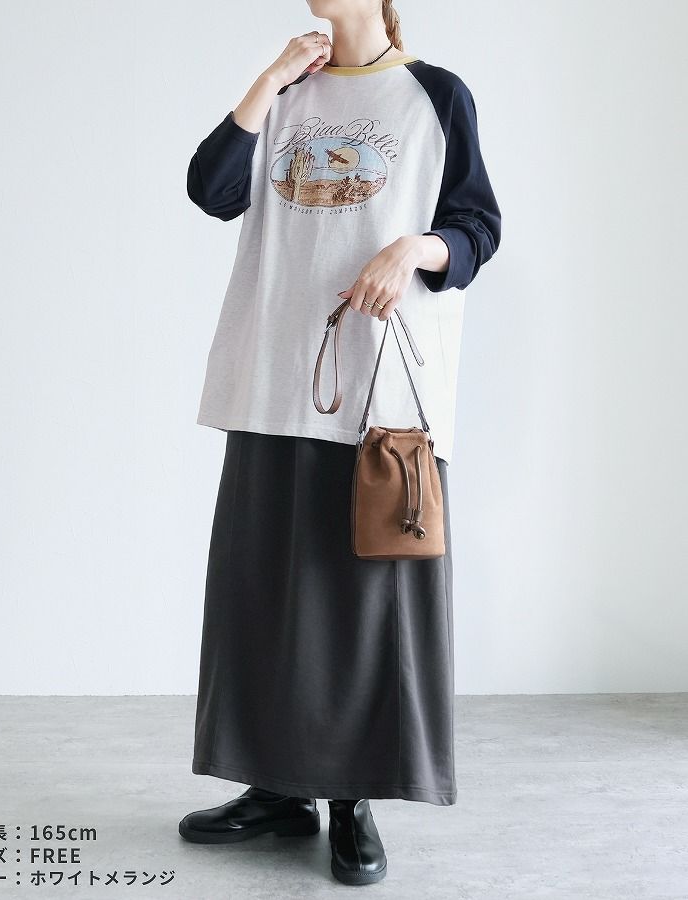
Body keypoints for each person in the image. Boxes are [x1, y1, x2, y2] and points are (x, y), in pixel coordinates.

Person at [178, 0, 501, 887]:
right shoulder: (288, 92)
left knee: (363, 609)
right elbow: (211, 191)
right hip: (270, 377)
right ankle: (277, 789)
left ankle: (351, 801)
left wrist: (415, 249)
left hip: (376, 398)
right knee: (263, 594)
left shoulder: (435, 95)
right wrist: (268, 80)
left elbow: (478, 227)